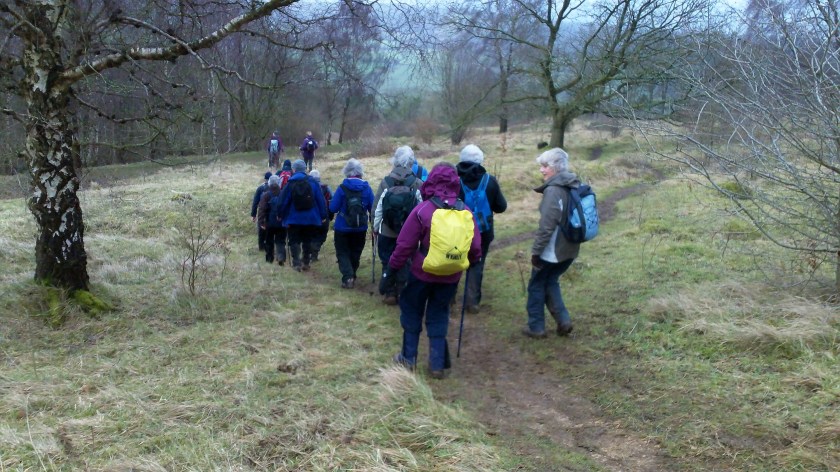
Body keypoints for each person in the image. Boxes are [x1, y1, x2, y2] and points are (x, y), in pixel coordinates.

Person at [388, 163, 482, 379]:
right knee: (439, 314)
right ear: (456, 184)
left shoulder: (423, 210)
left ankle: (408, 359)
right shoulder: (465, 211)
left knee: (412, 311)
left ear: (430, 183)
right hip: (451, 275)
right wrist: (473, 261)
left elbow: (404, 245)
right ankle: (437, 364)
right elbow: (475, 247)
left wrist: (392, 269)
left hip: (421, 273)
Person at [525, 147, 580, 338]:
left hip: (552, 250)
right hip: (570, 248)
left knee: (536, 285)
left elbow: (547, 226)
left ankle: (536, 328)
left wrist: (536, 252)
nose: (541, 170)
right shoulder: (571, 184)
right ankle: (563, 322)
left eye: (545, 166)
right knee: (550, 281)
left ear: (556, 167)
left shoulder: (554, 190)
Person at [456, 144, 507, 314]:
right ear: (480, 160)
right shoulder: (489, 181)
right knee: (476, 263)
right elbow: (501, 207)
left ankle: (448, 299)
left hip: (457, 231)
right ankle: (472, 302)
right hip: (483, 232)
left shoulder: (454, 181)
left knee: (454, 262)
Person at [373, 146, 422, 305]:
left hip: (387, 231)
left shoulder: (386, 181)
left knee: (387, 260)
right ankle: (403, 292)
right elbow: (422, 209)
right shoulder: (417, 183)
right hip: (409, 233)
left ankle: (389, 293)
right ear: (411, 162)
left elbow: (377, 207)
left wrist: (375, 227)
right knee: (406, 260)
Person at [329, 158, 375, 289]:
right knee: (356, 252)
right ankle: (352, 274)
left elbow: (333, 208)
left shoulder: (342, 188)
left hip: (342, 227)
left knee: (342, 252)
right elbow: (373, 208)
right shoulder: (366, 188)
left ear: (347, 171)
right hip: (360, 227)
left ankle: (348, 276)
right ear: (360, 172)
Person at [277, 160, 327, 271]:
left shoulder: (290, 184)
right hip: (310, 218)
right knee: (307, 239)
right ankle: (306, 262)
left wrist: (280, 214)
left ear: (293, 170)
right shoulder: (313, 182)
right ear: (305, 169)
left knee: (294, 240)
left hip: (293, 218)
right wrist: (323, 216)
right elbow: (320, 200)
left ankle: (296, 263)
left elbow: (283, 201)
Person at [257, 175, 286, 265]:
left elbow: (262, 209)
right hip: (281, 222)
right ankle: (281, 256)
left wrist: (261, 222)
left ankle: (269, 259)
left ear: (269, 183)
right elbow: (286, 208)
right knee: (280, 240)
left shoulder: (266, 195)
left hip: (269, 223)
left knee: (269, 241)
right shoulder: (283, 194)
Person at [309, 169, 332, 262]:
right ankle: (314, 253)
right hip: (324, 215)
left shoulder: (308, 187)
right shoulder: (326, 188)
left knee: (312, 234)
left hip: (310, 216)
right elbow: (332, 201)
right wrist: (330, 215)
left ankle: (311, 252)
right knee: (321, 235)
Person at [251, 171, 273, 252]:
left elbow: (255, 202)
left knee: (261, 229)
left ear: (265, 179)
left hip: (261, 211)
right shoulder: (275, 188)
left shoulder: (260, 188)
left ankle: (261, 247)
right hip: (271, 212)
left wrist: (253, 214)